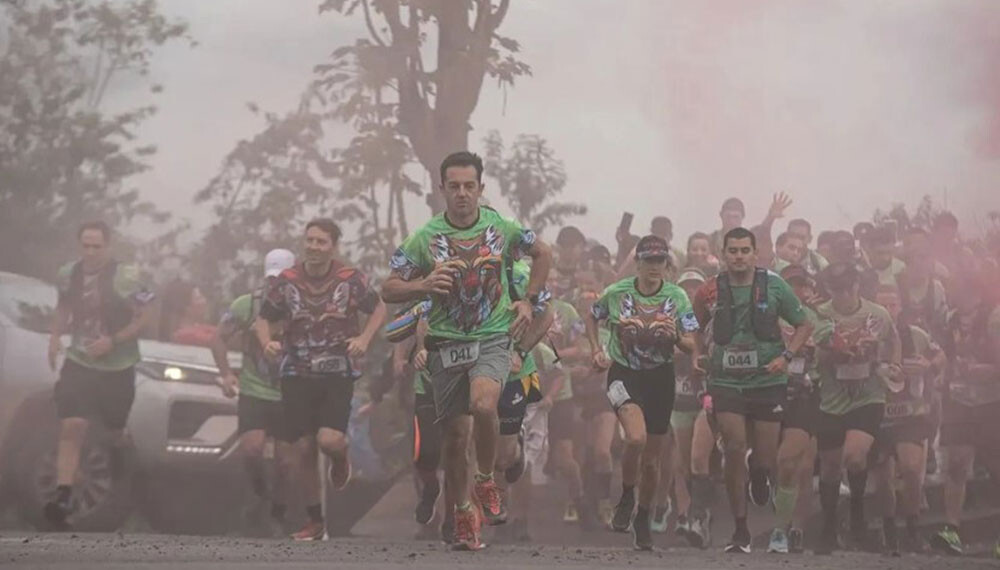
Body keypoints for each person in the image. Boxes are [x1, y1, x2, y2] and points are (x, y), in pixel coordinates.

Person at [381, 151, 553, 551]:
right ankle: (462, 515)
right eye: (454, 186)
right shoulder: (424, 238)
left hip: (492, 336)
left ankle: (486, 480)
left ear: (481, 189)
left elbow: (543, 253)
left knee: (483, 405)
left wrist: (527, 300)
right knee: (455, 440)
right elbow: (388, 288)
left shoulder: (504, 227)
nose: (461, 194)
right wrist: (422, 286)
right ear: (442, 189)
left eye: (469, 186)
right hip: (445, 342)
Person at [255, 218, 387, 541]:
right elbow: (263, 320)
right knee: (302, 448)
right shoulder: (285, 281)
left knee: (329, 441)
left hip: (336, 373)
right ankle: (314, 521)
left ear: (333, 246)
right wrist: (267, 343)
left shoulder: (351, 279)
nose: (314, 247)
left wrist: (365, 339)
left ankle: (341, 459)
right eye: (310, 240)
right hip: (296, 372)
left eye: (321, 242)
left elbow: (379, 307)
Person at [691, 227, 813, 554]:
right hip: (726, 380)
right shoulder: (708, 290)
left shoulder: (774, 285)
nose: (739, 256)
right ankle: (741, 530)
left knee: (765, 457)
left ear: (755, 252)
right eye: (733, 250)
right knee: (733, 446)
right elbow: (691, 326)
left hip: (767, 381)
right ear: (724, 253)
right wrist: (696, 353)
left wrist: (787, 356)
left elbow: (804, 324)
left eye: (745, 250)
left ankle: (760, 474)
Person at [585, 234, 700, 550]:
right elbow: (592, 317)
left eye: (659, 261)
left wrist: (675, 335)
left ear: (666, 264)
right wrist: (596, 349)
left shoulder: (677, 297)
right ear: (637, 263)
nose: (653, 267)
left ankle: (643, 517)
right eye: (648, 261)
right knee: (635, 438)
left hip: (660, 378)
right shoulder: (616, 293)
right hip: (624, 374)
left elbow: (692, 341)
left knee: (653, 461)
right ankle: (625, 495)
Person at [44, 221, 154, 528]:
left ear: (109, 246)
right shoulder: (69, 273)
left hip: (117, 365)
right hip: (80, 360)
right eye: (86, 245)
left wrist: (114, 340)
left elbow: (147, 315)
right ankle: (63, 495)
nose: (91, 252)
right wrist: (54, 338)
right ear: (79, 245)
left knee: (113, 431)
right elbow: (63, 306)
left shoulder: (127, 277)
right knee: (72, 424)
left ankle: (120, 450)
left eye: (97, 246)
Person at [812, 263, 901, 555]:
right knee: (829, 467)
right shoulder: (822, 314)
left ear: (856, 288)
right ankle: (827, 527)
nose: (840, 296)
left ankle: (858, 512)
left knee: (854, 455)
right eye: (834, 290)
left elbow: (894, 339)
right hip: (832, 398)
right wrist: (836, 351)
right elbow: (816, 354)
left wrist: (893, 363)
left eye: (845, 290)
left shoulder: (877, 314)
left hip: (868, 396)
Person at [210, 248, 297, 537]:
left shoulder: (304, 308)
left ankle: (279, 511)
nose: (276, 286)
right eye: (272, 280)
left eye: (282, 281)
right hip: (254, 389)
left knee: (286, 462)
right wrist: (225, 374)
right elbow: (218, 339)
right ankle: (260, 494)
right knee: (251, 449)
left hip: (289, 393)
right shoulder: (246, 305)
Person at [871, 284, 945, 555]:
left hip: (910, 414)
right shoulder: (866, 336)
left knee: (912, 469)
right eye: (883, 305)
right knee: (882, 479)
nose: (889, 310)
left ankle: (913, 527)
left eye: (893, 304)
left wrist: (929, 366)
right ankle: (889, 530)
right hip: (877, 413)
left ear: (900, 307)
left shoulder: (917, 335)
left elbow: (941, 355)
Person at [932, 274, 1000, 558]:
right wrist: (940, 373)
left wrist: (993, 370)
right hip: (958, 398)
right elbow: (941, 354)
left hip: (991, 400)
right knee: (957, 463)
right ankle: (951, 528)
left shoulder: (994, 318)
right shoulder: (948, 320)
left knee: (996, 464)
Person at [764, 264, 823, 554]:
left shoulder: (820, 317)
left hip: (806, 396)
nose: (796, 290)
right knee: (771, 462)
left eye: (801, 285)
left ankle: (786, 529)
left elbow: (832, 352)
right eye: (790, 284)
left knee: (796, 463)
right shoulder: (763, 314)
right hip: (767, 394)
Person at [659, 268, 709, 537]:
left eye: (696, 287)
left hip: (707, 398)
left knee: (699, 459)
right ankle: (684, 514)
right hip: (678, 398)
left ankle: (699, 515)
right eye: (686, 287)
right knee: (682, 462)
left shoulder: (712, 318)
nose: (691, 292)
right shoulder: (668, 318)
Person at [707, 193, 793, 268]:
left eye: (735, 217)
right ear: (721, 215)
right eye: (728, 216)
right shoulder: (711, 240)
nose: (731, 221)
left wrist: (771, 217)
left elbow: (761, 232)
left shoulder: (750, 238)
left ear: (743, 217)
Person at [159, 279, 215, 346]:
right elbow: (219, 340)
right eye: (199, 298)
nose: (204, 301)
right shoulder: (185, 335)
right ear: (187, 308)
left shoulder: (199, 328)